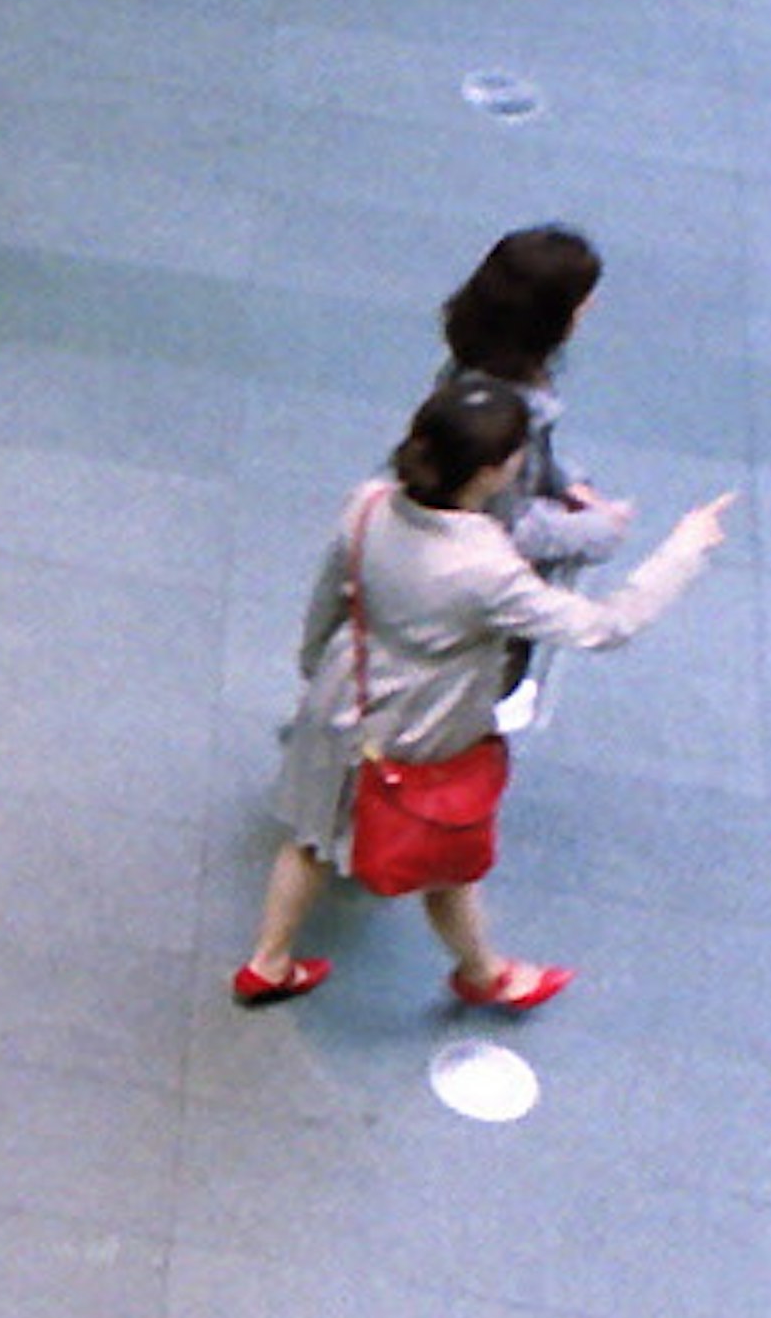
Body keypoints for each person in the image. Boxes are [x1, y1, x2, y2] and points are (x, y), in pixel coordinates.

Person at [230, 370, 730, 1013]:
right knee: (446, 859)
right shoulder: (485, 568)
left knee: (310, 836)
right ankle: (484, 974)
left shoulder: (369, 505)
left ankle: (269, 961)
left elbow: (329, 596)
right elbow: (605, 627)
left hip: (341, 697)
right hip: (426, 719)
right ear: (492, 472)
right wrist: (683, 551)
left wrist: (313, 670)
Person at [438, 221, 631, 737]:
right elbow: (511, 526)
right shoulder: (514, 406)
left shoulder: (474, 370)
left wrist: (566, 484)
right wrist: (597, 530)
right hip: (479, 605)